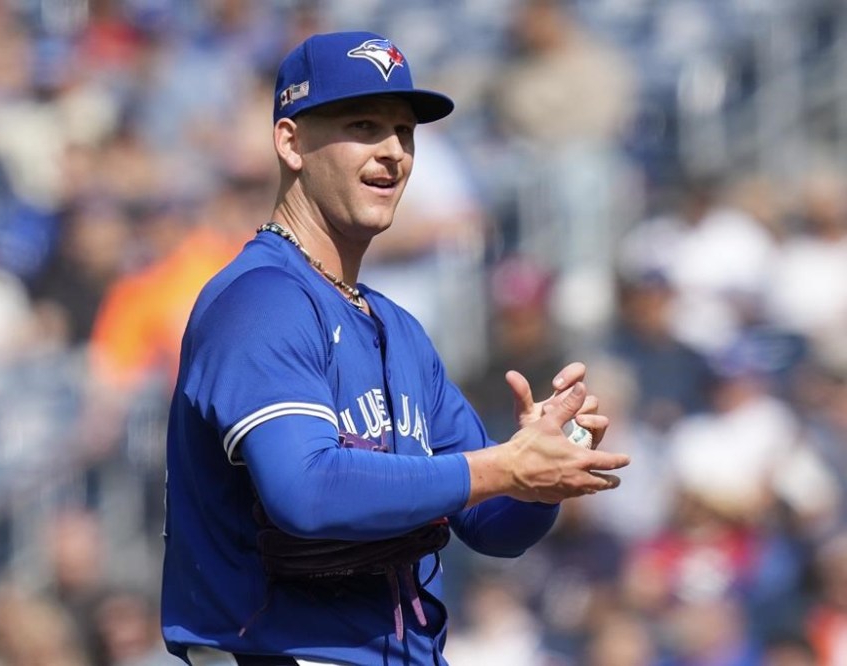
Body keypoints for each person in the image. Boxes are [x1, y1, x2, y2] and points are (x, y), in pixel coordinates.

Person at [160, 31, 630, 666]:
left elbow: (491, 528)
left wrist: (541, 475)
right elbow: (306, 490)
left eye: (404, 132)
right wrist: (502, 468)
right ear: (290, 141)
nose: (393, 154)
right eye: (363, 124)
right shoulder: (261, 301)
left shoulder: (398, 329)